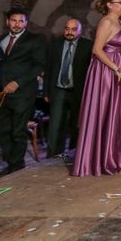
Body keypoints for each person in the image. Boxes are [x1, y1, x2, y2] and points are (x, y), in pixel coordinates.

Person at [73, 0, 121, 176]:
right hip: (105, 71)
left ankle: (112, 157)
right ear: (110, 4)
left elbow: (120, 47)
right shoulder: (106, 22)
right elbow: (97, 50)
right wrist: (117, 69)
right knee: (104, 111)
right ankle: (97, 160)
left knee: (115, 113)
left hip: (118, 66)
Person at [0, 7, 45, 176]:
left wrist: (18, 82)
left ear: (26, 22)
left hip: (23, 93)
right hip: (2, 93)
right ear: (7, 21)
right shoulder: (1, 39)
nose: (17, 24)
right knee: (3, 129)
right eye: (13, 20)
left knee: (18, 130)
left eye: (21, 21)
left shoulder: (35, 40)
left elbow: (38, 65)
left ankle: (17, 165)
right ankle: (11, 163)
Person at [44, 19, 92, 158]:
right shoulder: (55, 45)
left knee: (76, 124)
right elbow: (48, 69)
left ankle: (74, 154)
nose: (69, 32)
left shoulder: (88, 46)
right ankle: (53, 155)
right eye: (67, 29)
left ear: (79, 31)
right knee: (55, 124)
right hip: (58, 89)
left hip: (79, 91)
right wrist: (46, 91)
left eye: (73, 29)